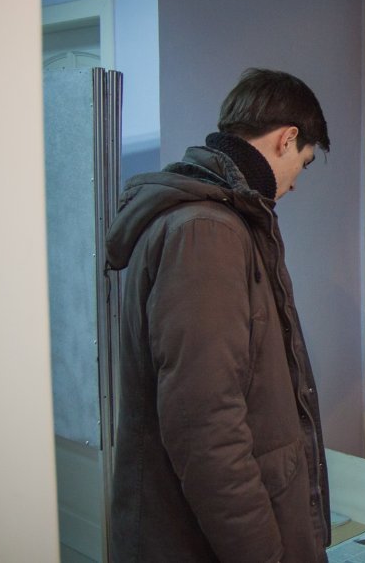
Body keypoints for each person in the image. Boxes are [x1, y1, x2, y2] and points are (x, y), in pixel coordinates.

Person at [105, 68, 332, 562]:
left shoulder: (219, 220)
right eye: (304, 162)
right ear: (287, 138)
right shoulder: (207, 233)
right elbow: (205, 427)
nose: (295, 184)